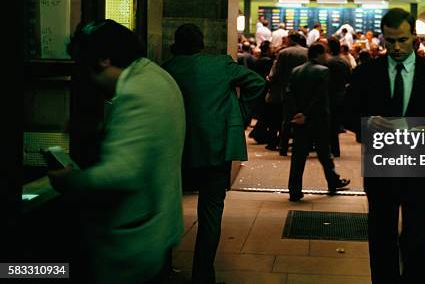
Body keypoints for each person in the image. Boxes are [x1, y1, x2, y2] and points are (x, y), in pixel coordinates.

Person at [49, 20, 185, 284]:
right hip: (156, 227)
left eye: (81, 66)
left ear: (101, 60)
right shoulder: (155, 76)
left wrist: (69, 180)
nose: (84, 77)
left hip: (130, 243)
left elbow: (121, 173)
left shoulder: (136, 93)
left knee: (18, 270)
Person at [344, 8, 425, 284]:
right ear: (383, 38)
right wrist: (368, 123)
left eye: (402, 40)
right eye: (390, 40)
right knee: (381, 236)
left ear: (414, 39)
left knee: (416, 236)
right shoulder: (366, 73)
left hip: (420, 167)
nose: (396, 47)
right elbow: (345, 113)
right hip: (381, 168)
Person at [163, 24, 265, 284]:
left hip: (177, 148)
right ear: (202, 42)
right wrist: (241, 113)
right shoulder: (221, 65)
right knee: (210, 211)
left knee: (167, 207)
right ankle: (203, 272)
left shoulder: (167, 69)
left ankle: (163, 267)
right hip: (216, 146)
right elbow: (256, 82)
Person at [285, 42, 351, 201]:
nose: (326, 56)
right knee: (324, 153)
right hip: (318, 120)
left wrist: (297, 114)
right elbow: (319, 98)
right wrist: (307, 114)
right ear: (319, 54)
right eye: (325, 53)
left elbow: (289, 93)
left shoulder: (296, 71)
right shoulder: (323, 71)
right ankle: (333, 182)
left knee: (298, 157)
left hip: (299, 120)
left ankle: (294, 190)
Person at [266, 31, 308, 154]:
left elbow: (276, 72)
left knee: (287, 119)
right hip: (303, 90)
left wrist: (270, 79)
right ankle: (300, 146)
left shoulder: (284, 53)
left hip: (287, 89)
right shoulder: (306, 52)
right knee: (302, 118)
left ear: (290, 39)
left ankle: (283, 146)